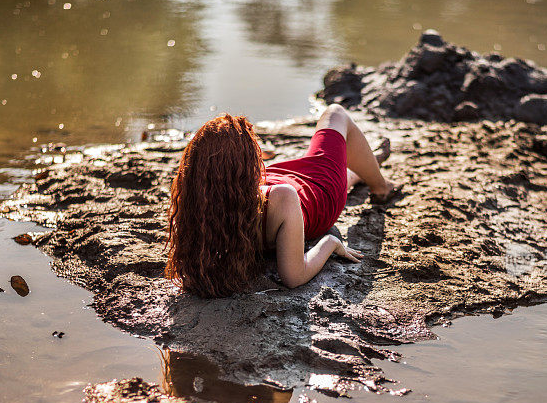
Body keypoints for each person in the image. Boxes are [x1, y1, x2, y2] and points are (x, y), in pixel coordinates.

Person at [166, 104, 396, 297]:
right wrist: (331, 243)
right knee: (335, 113)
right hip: (319, 193)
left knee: (334, 171)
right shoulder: (282, 198)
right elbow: (294, 277)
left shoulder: (198, 198)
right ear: (245, 171)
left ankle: (363, 166)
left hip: (276, 182)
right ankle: (381, 186)